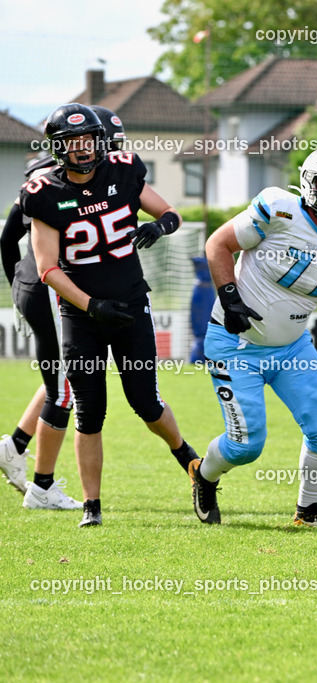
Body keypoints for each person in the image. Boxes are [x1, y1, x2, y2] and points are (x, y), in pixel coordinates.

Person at [22, 103, 200, 527]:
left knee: (145, 402)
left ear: (101, 142)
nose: (83, 150)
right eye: (72, 143)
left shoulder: (123, 171)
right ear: (58, 148)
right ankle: (92, 507)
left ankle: (189, 460)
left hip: (132, 304)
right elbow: (47, 269)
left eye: (88, 141)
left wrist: (159, 227)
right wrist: (91, 305)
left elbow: (170, 213)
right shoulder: (44, 192)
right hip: (82, 315)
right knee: (89, 409)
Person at [190, 145, 317, 527]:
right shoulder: (278, 208)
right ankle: (203, 475)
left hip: (293, 348)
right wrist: (230, 298)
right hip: (237, 345)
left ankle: (308, 510)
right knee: (245, 446)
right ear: (309, 184)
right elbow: (217, 245)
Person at [0, 106, 127, 509]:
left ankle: (16, 446)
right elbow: (10, 237)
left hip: (35, 285)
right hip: (48, 287)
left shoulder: (85, 174)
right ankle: (42, 486)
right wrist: (25, 290)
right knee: (68, 387)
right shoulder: (53, 178)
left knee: (59, 380)